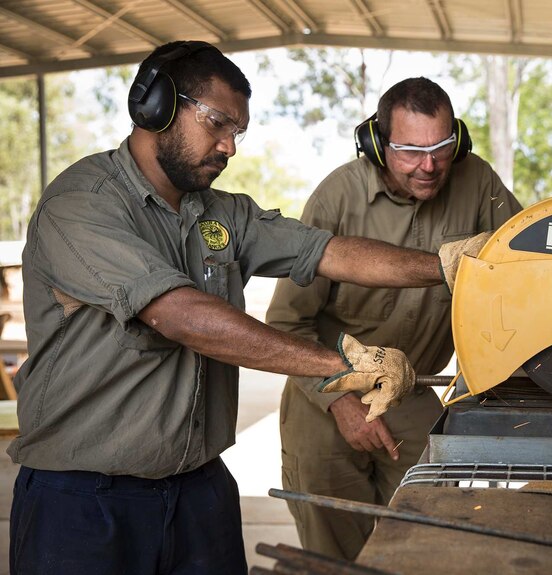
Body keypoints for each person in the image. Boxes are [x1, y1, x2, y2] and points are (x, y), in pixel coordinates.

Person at [7, 42, 482, 575]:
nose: (229, 146)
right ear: (157, 106)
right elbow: (181, 315)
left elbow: (328, 250)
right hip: (85, 499)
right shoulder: (82, 203)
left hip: (199, 486)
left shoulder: (223, 213)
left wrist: (444, 265)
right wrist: (344, 366)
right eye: (218, 124)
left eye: (238, 132)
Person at [266, 77, 522, 560]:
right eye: (409, 150)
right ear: (377, 145)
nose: (429, 165)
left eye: (442, 147)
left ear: (459, 139)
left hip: (413, 391)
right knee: (335, 557)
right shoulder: (336, 198)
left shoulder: (479, 183)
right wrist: (339, 404)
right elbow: (285, 325)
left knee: (428, 548)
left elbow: (522, 267)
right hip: (326, 396)